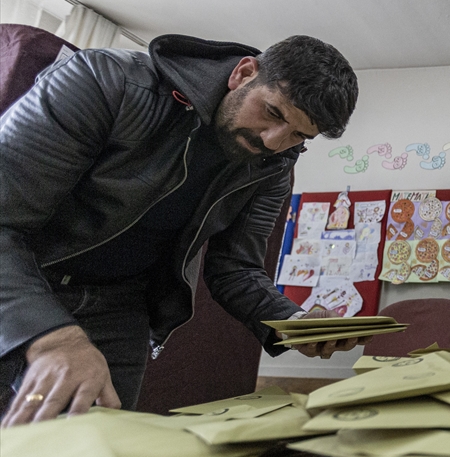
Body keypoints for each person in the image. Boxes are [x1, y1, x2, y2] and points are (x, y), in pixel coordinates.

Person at [0, 34, 362, 427]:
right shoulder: (106, 81)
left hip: (120, 307)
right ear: (243, 74)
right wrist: (55, 336)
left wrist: (292, 323)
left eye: (298, 136)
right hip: (20, 281)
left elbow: (236, 269)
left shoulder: (272, 166)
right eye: (273, 113)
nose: (273, 141)